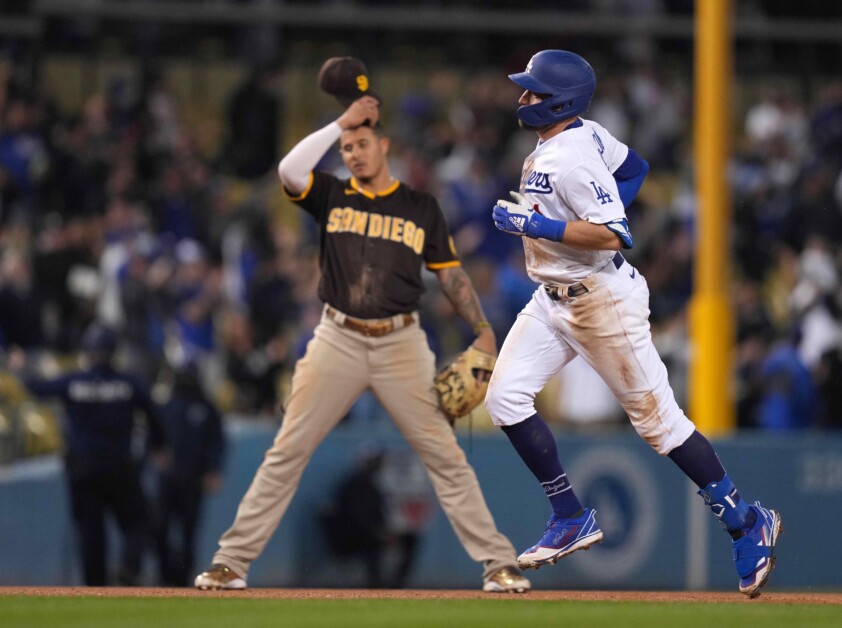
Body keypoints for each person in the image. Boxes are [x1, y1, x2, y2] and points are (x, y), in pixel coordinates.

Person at [194, 91, 530, 593]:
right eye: (347, 148)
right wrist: (340, 124)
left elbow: (452, 274)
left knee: (445, 455)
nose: (353, 153)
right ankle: (232, 560)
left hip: (402, 342)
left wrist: (481, 328)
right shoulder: (332, 194)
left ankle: (498, 564)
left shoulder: (420, 207)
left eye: (361, 144)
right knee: (287, 450)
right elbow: (289, 170)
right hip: (337, 338)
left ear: (385, 146)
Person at [486, 50, 782, 597]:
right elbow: (636, 169)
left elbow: (616, 232)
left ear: (559, 101)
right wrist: (569, 223)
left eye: (531, 91)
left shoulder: (571, 155)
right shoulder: (586, 135)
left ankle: (746, 520)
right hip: (553, 299)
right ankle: (570, 516)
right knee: (504, 397)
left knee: (659, 425)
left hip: (601, 300)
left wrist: (538, 223)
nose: (522, 97)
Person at [14, 322, 167, 586]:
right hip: (119, 464)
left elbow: (37, 389)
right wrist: (158, 446)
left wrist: (20, 367)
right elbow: (154, 415)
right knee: (137, 523)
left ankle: (94, 588)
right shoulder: (127, 383)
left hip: (82, 467)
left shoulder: (75, 381)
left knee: (90, 532)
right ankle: (129, 569)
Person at [155, 361, 226, 586]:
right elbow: (153, 434)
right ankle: (166, 576)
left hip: (193, 479)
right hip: (168, 479)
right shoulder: (166, 405)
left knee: (189, 532)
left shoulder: (206, 408)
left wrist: (213, 470)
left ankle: (182, 580)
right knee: (159, 528)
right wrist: (155, 451)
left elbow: (217, 442)